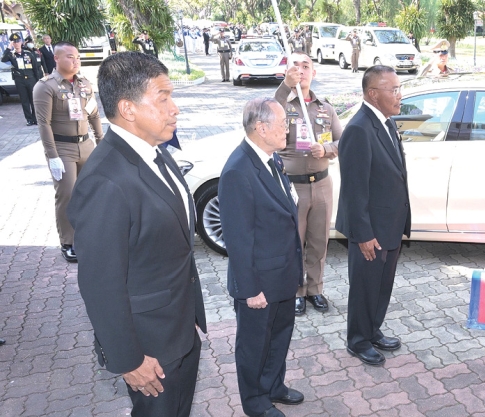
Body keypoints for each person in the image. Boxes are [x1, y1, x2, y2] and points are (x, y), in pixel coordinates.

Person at [67, 51, 206, 417]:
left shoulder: (155, 152)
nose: (174, 108)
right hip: (149, 347)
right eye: (163, 98)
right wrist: (128, 359)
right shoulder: (105, 180)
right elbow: (100, 283)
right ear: (128, 109)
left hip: (179, 329)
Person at [218, 98, 305, 417]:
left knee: (280, 336)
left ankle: (272, 386)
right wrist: (250, 288)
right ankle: (254, 401)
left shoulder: (271, 158)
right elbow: (238, 239)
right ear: (261, 128)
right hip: (259, 282)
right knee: (254, 345)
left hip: (282, 272)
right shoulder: (238, 170)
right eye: (283, 124)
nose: (288, 129)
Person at [336, 66, 411, 366]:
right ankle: (358, 340)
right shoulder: (359, 129)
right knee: (365, 288)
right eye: (393, 89)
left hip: (389, 225)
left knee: (381, 287)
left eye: (399, 88)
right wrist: (364, 235)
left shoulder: (386, 122)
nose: (399, 95)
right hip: (371, 230)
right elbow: (354, 190)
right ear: (372, 94)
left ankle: (372, 330)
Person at [274, 53, 342, 316]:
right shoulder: (282, 104)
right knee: (294, 242)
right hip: (293, 187)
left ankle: (315, 289)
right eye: (296, 66)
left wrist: (326, 149)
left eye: (306, 66)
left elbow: (343, 141)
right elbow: (267, 114)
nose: (301, 70)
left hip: (322, 185)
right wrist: (285, 85)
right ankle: (296, 292)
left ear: (314, 72)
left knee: (318, 242)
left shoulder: (325, 108)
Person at [32, 41, 104, 263]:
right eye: (70, 57)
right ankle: (68, 242)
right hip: (63, 149)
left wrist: (101, 142)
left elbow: (93, 114)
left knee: (90, 193)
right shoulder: (45, 86)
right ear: (56, 58)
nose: (76, 61)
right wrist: (52, 156)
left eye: (78, 57)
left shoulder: (84, 83)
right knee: (67, 196)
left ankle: (89, 237)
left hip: (86, 146)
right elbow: (43, 124)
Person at [3, 33, 42, 126]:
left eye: (17, 41)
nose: (16, 44)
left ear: (21, 42)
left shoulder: (28, 53)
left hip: (31, 79)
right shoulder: (11, 55)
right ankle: (29, 119)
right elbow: (3, 59)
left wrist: (37, 80)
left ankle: (35, 118)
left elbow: (35, 68)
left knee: (33, 99)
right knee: (24, 100)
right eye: (14, 42)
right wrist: (9, 48)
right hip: (20, 80)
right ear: (12, 43)